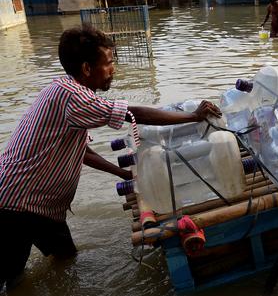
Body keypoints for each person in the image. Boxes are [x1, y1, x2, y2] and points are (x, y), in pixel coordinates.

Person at [0, 25, 222, 291]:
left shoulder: (67, 91)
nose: (113, 69)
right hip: (17, 203)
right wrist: (193, 116)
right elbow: (133, 113)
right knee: (10, 277)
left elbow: (79, 150)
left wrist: (124, 174)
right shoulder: (73, 96)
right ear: (86, 68)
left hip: (41, 205)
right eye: (108, 62)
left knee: (66, 259)